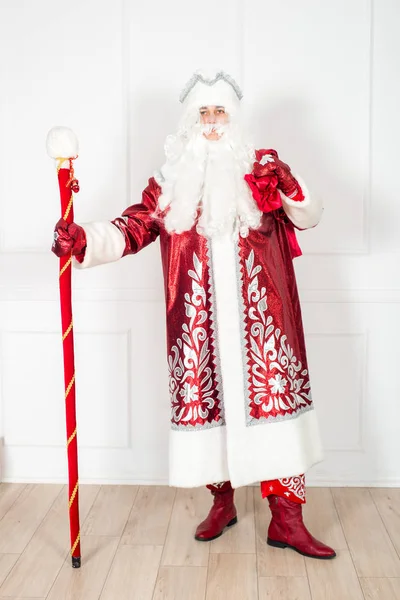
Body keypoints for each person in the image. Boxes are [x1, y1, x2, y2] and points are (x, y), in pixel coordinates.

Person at [52, 70, 335, 559]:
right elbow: (132, 227)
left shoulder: (261, 173)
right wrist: (84, 241)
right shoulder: (170, 183)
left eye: (219, 111)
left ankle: (288, 522)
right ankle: (221, 503)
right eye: (202, 113)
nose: (211, 122)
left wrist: (287, 181)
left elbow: (309, 216)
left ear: (235, 118)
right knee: (211, 409)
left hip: (263, 326)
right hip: (198, 324)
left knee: (277, 418)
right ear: (189, 121)